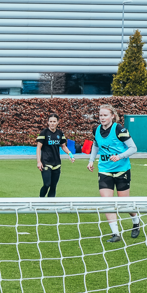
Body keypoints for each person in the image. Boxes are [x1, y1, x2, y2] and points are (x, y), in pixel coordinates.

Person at [87, 104, 140, 243]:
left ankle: (136, 221)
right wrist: (91, 160)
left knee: (124, 204)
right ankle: (116, 233)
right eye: (100, 115)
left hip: (121, 170)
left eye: (105, 115)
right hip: (104, 170)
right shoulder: (96, 130)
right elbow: (96, 145)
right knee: (107, 202)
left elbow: (133, 148)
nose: (102, 118)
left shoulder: (119, 129)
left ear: (112, 116)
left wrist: (120, 156)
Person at [36, 114, 75, 197]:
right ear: (48, 122)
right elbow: (38, 148)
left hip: (57, 163)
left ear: (57, 122)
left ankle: (50, 206)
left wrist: (70, 154)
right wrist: (39, 162)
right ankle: (40, 201)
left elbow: (63, 146)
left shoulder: (60, 133)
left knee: (53, 186)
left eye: (54, 121)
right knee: (47, 184)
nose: (52, 123)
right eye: (50, 121)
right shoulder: (44, 133)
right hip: (46, 162)